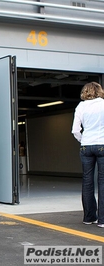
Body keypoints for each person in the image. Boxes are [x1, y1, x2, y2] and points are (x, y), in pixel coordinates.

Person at [71, 82, 104, 227]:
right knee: (103, 182)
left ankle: (89, 217)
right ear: (99, 91)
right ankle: (102, 220)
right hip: (102, 144)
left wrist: (83, 140)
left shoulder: (81, 106)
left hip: (86, 146)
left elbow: (75, 130)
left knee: (87, 181)